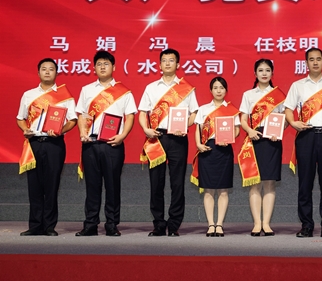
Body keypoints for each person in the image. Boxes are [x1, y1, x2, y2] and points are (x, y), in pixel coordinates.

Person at [284, 47, 322, 238]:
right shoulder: (298, 86)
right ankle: (306, 226)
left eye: (318, 59)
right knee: (305, 183)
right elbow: (288, 109)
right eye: (311, 59)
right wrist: (293, 122)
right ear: (306, 63)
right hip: (306, 136)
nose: (315, 62)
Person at [75, 51, 137, 237]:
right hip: (91, 143)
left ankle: (112, 224)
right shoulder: (87, 90)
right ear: (94, 68)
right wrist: (82, 133)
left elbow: (130, 116)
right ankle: (90, 224)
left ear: (114, 67)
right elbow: (81, 115)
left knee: (112, 185)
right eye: (99, 64)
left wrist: (122, 136)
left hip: (113, 145)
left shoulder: (124, 92)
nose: (102, 67)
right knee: (92, 186)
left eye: (106, 64)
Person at [139, 49, 198, 237]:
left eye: (171, 60)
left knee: (177, 183)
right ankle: (158, 224)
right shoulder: (151, 87)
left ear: (178, 64)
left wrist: (185, 126)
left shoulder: (187, 88)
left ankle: (174, 225)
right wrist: (146, 129)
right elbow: (143, 112)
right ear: (159, 64)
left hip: (178, 139)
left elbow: (194, 113)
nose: (167, 63)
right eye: (164, 60)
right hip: (156, 137)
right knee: (156, 183)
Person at [16, 58, 77, 236]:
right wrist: (25, 129)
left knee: (52, 185)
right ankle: (35, 225)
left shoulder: (65, 95)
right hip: (34, 143)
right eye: (44, 69)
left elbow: (73, 120)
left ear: (56, 72)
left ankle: (49, 226)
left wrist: (60, 130)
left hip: (54, 144)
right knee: (34, 186)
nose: (47, 72)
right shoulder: (28, 95)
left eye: (51, 69)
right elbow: (20, 118)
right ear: (38, 73)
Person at [238, 59, 286, 236]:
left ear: (272, 73)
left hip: (272, 141)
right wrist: (250, 131)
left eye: (267, 70)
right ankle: (257, 223)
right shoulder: (248, 95)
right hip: (255, 139)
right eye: (260, 70)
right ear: (255, 73)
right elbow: (243, 119)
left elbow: (285, 119)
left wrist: (278, 131)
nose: (264, 73)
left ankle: (266, 223)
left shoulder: (279, 95)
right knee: (255, 183)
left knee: (270, 183)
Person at [193, 77, 240, 237]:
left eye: (221, 88)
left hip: (224, 151)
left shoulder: (232, 110)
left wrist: (230, 138)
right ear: (211, 90)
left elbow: (237, 129)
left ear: (226, 90)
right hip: (207, 149)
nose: (219, 90)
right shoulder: (203, 109)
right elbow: (198, 129)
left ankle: (219, 224)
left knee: (223, 190)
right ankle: (210, 224)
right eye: (215, 87)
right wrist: (198, 144)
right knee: (208, 190)